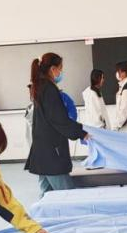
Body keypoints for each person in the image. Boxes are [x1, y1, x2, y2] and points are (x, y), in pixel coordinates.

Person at [26, 52, 89, 195]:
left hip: (43, 151)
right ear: (52, 69)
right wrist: (81, 133)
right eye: (60, 69)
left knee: (47, 195)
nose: (61, 73)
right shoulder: (49, 89)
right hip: (51, 153)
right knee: (67, 195)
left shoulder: (40, 86)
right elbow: (59, 119)